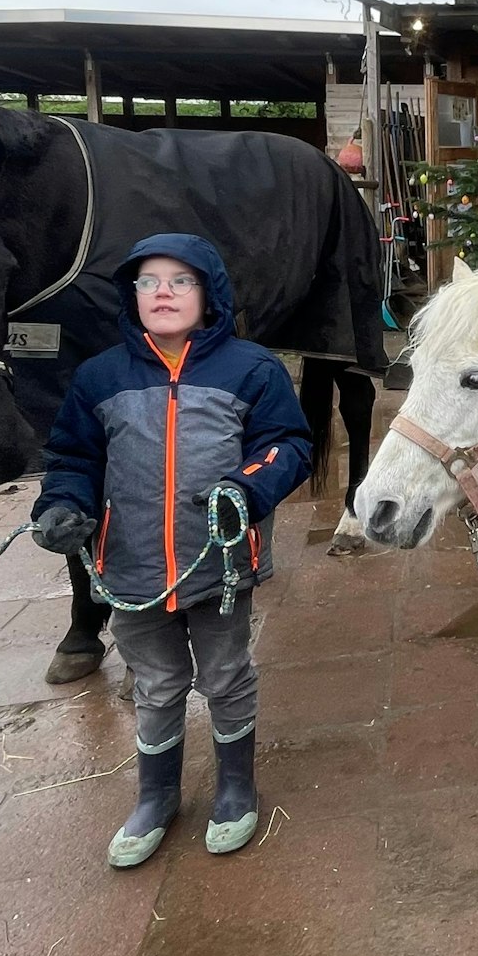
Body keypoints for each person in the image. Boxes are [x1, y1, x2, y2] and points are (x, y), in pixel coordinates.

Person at [31, 234, 313, 868]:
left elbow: (288, 446)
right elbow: (72, 457)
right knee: (156, 684)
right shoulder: (101, 376)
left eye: (180, 280)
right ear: (131, 297)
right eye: (149, 281)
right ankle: (156, 795)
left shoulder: (251, 369)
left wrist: (246, 487)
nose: (163, 291)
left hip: (218, 565)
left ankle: (236, 785)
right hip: (130, 570)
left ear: (209, 294)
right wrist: (61, 506)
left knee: (225, 674)